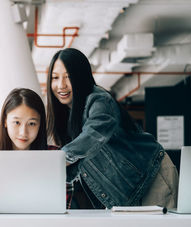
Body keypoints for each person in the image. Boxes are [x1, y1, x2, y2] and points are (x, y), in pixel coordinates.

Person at [46, 48, 178, 209]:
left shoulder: (99, 100)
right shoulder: (65, 118)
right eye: (55, 78)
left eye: (68, 77)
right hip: (124, 195)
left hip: (152, 176)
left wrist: (56, 160)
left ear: (81, 76)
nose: (61, 85)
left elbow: (94, 134)